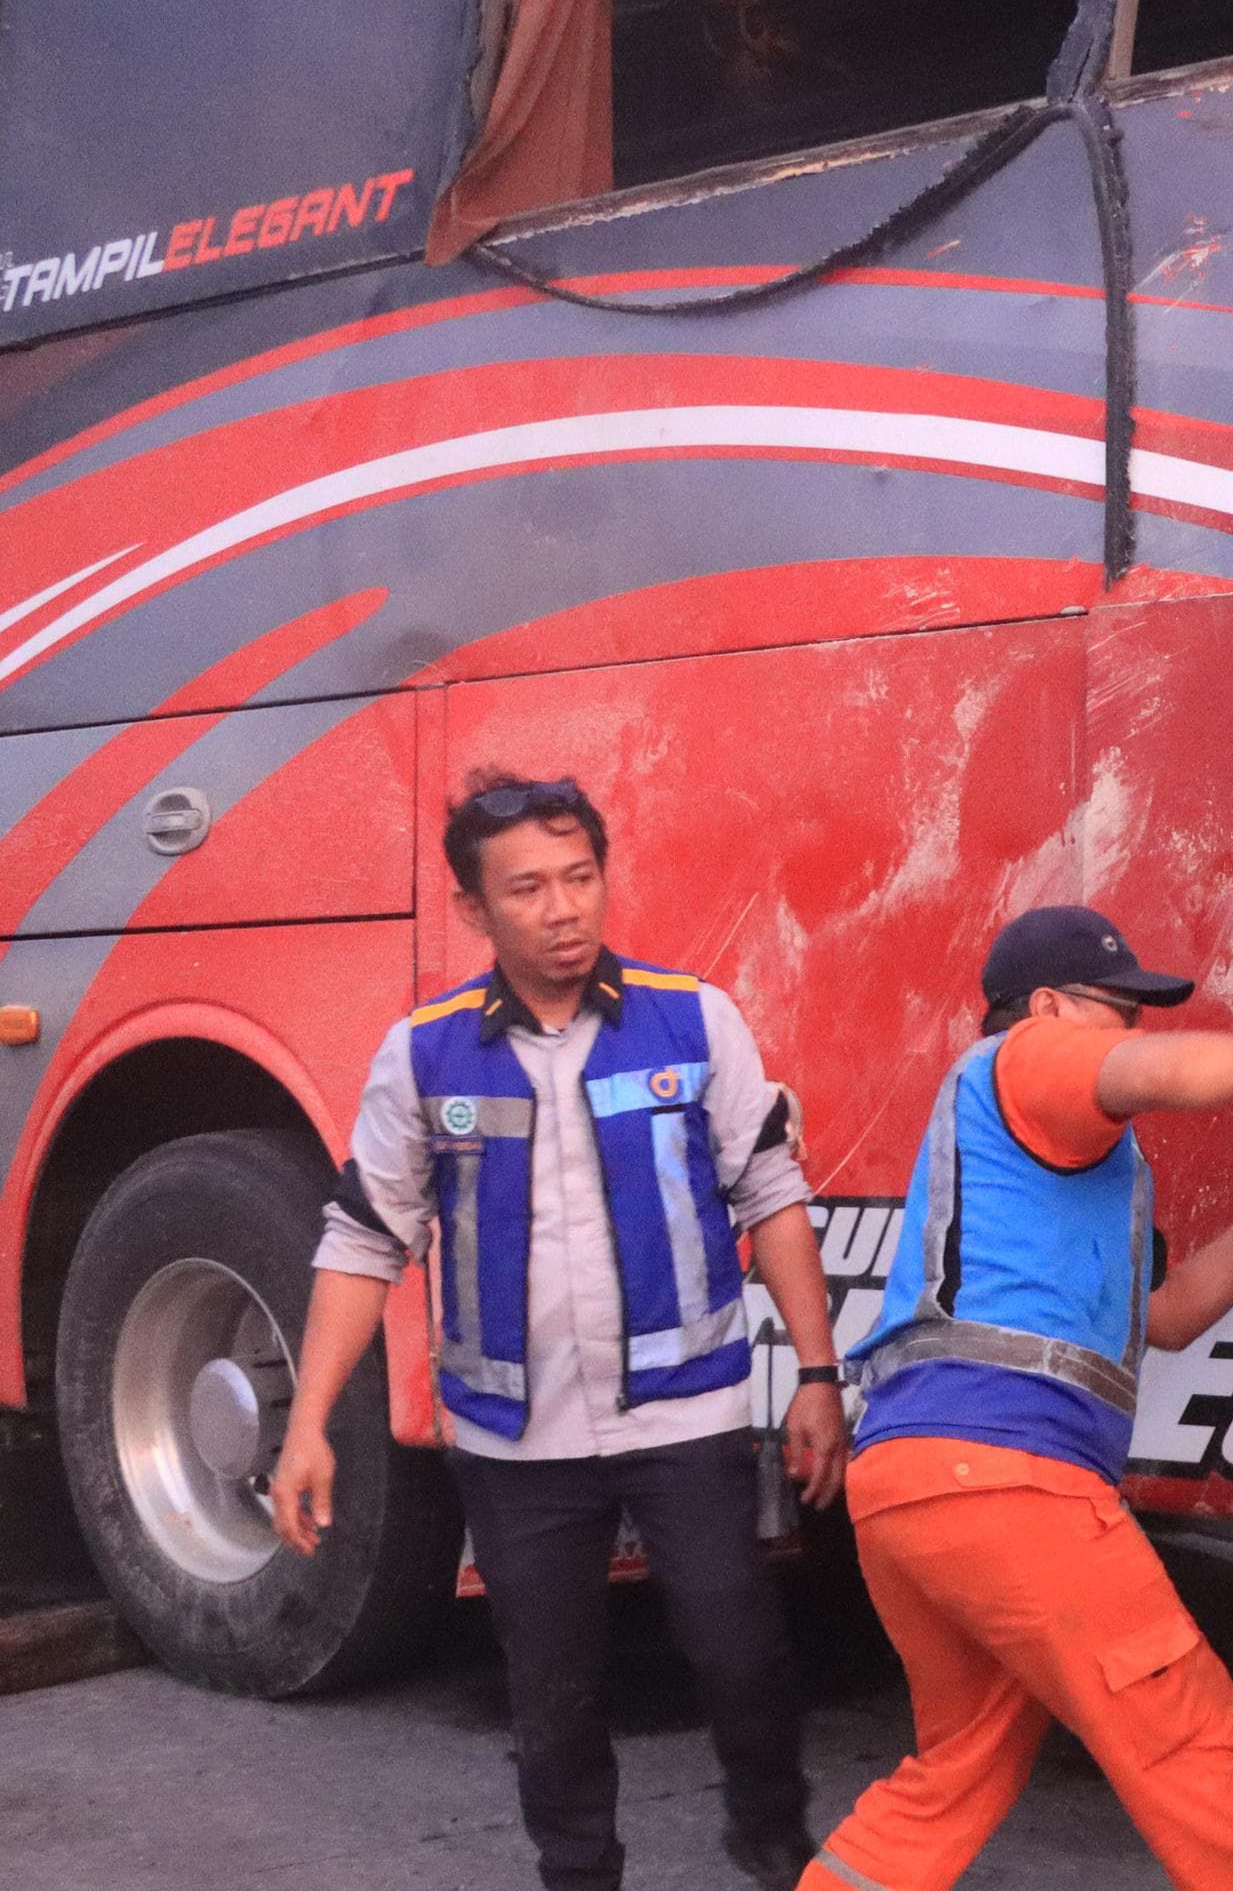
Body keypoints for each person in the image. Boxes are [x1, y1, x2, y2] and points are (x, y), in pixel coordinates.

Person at [274, 771, 842, 1891]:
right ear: (477, 911)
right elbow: (362, 1242)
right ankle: (578, 1874)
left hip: (686, 1411)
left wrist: (816, 1374)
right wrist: (307, 1425)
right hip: (516, 1440)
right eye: (528, 887)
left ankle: (775, 1835)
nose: (564, 907)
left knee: (739, 1648)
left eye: (580, 877)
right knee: (554, 1689)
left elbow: (769, 1193)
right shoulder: (425, 1055)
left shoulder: (693, 1017)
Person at [801, 904, 1233, 1891]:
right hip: (1008, 1481)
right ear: (1046, 1008)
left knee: (954, 1770)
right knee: (1192, 1745)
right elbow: (1142, 1077)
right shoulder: (1024, 1062)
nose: (1132, 1038)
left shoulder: (1074, 1159)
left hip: (914, 1483)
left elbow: (1167, 1316)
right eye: (1119, 1013)